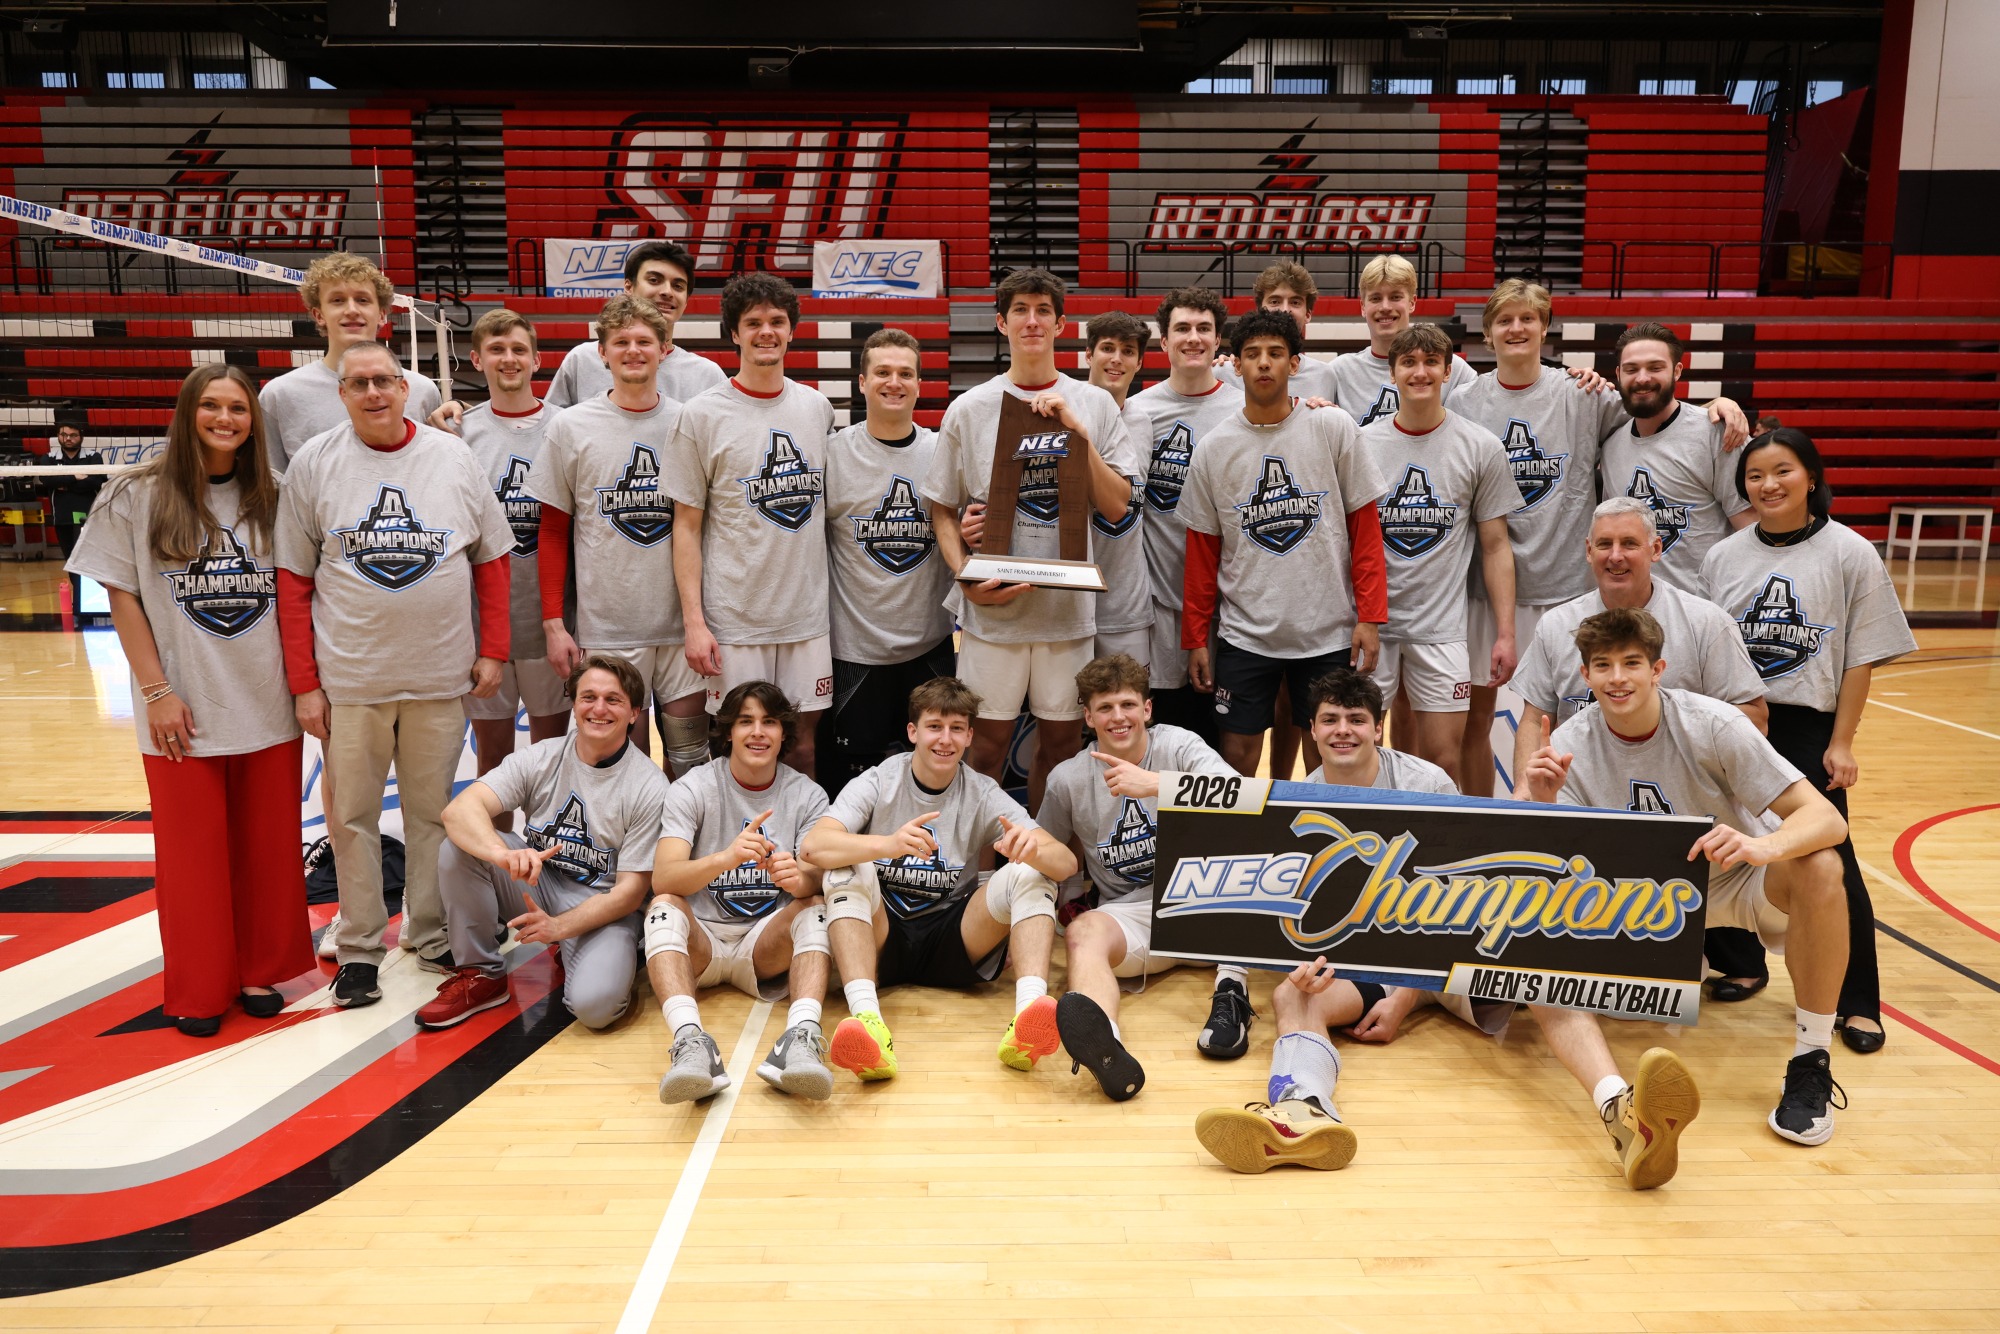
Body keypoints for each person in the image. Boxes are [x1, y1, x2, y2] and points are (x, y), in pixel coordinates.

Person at [1518, 606, 1853, 1173]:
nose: (1618, 677)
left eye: (1631, 663)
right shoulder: (1571, 743)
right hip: (1642, 908)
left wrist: (1764, 847)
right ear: (1585, 677)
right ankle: (1617, 1108)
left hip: (1738, 880)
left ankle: (1811, 1061)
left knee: (1821, 866)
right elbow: (1547, 866)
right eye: (1603, 665)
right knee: (1536, 947)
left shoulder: (1715, 724)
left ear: (1658, 669)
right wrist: (1541, 801)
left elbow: (1827, 819)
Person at [66, 365, 310, 1036]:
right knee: (192, 859)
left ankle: (262, 971)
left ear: (254, 421)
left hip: (267, 702)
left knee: (268, 851)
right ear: (188, 412)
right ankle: (200, 988)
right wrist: (155, 692)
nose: (225, 418)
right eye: (211, 406)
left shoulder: (279, 494)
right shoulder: (136, 494)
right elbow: (121, 594)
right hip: (181, 708)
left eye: (238, 408)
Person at [274, 340, 516, 1009]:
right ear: (342, 393)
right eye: (359, 384)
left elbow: (492, 560)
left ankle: (430, 931)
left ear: (407, 389)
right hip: (351, 681)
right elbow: (291, 580)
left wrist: (492, 648)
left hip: (441, 676)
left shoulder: (452, 458)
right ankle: (357, 949)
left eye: (385, 381)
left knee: (433, 815)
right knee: (349, 819)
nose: (374, 393)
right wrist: (304, 683)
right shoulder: (315, 465)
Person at [1179, 309, 1388, 1063]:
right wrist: (1195, 635)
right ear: (1233, 364)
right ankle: (1238, 892)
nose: (1263, 365)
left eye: (1276, 353)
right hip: (1244, 633)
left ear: (1295, 362)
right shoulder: (1217, 446)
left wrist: (1371, 615)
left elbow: (1366, 528)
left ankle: (1307, 883)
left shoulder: (1334, 433)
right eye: (1252, 354)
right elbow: (1201, 550)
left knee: (1312, 764)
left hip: (1325, 628)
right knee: (1236, 762)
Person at [1453, 282, 1747, 796]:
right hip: (1491, 588)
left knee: (1591, 714)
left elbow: (1655, 409)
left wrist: (1717, 404)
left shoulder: (1585, 394)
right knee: (1477, 721)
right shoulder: (1464, 401)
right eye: (1505, 320)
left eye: (1528, 318)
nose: (1517, 328)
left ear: (1546, 328)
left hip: (1572, 587)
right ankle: (1496, 821)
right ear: (1487, 333)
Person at [1194, 668, 1490, 1173]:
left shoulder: (1427, 784)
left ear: (1380, 727)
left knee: (1543, 982)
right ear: (1311, 729)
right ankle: (1304, 1110)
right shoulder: (1298, 806)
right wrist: (1300, 964)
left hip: (1448, 954)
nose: (1343, 731)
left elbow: (1466, 902)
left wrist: (1407, 994)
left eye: (1357, 719)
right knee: (1293, 993)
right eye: (1330, 719)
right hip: (1370, 957)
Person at [1700, 428, 1918, 1053]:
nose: (1767, 485)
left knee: (1828, 859)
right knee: (1724, 838)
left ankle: (1856, 1001)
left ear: (1812, 477)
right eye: (1754, 476)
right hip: (1733, 720)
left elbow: (1859, 658)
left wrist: (1841, 741)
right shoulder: (1723, 557)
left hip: (1805, 723)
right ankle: (1740, 961)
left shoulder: (1850, 552)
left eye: (1782, 472)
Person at [925, 268, 1141, 809]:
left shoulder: (1094, 403)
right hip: (993, 611)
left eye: (1044, 310)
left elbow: (1116, 503)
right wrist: (964, 574)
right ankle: (977, 872)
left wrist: (1077, 435)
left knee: (1064, 744)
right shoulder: (969, 408)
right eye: (1020, 309)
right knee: (987, 744)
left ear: (1062, 324)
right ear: (1002, 322)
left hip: (1066, 611)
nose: (1032, 320)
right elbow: (943, 511)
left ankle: (1046, 867)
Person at [798, 676, 1079, 1082]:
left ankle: (1027, 1018)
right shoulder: (879, 781)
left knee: (1034, 870)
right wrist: (887, 845)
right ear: (913, 731)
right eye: (934, 726)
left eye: (957, 729)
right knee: (844, 865)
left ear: (969, 737)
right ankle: (869, 1024)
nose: (945, 739)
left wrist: (1034, 849)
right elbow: (813, 847)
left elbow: (1067, 864)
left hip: (953, 936)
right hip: (882, 935)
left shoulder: (982, 791)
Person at [422, 655, 666, 1031]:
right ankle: (482, 975)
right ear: (574, 704)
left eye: (613, 700)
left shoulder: (648, 785)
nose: (598, 708)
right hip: (541, 883)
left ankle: (611, 952)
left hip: (604, 907)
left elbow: (630, 893)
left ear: (635, 712)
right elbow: (459, 811)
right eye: (588, 697)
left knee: (595, 1009)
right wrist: (502, 853)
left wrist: (560, 928)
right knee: (459, 847)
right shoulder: (542, 756)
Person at [1036, 653, 1233, 1100]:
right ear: (1088, 716)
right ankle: (1106, 1046)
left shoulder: (1180, 746)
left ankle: (1233, 989)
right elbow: (1047, 853)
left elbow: (1241, 794)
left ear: (1147, 709)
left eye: (1127, 704)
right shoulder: (1068, 778)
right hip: (1136, 917)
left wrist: (1158, 784)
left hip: (1209, 900)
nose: (1118, 717)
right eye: (1104, 708)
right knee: (1083, 932)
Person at [528, 294, 709, 778]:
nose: (633, 350)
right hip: (608, 626)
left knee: (689, 761)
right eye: (621, 341)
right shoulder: (570, 427)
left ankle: (682, 855)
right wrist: (553, 623)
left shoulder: (689, 422)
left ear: (665, 349)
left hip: (681, 629)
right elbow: (552, 530)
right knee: (615, 764)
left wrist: (701, 620)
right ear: (601, 351)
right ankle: (624, 855)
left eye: (644, 341)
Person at [667, 272, 835, 781]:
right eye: (754, 322)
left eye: (777, 321)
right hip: (734, 622)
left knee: (803, 750)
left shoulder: (817, 408)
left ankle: (796, 856)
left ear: (792, 331)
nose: (767, 331)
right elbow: (686, 528)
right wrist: (695, 623)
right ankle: (735, 855)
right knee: (737, 751)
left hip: (806, 618)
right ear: (734, 334)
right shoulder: (700, 415)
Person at [645, 682, 835, 1103]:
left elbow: (813, 880)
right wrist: (724, 859)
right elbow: (664, 878)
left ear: (785, 733)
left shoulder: (808, 795)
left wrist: (797, 878)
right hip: (703, 942)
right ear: (726, 730)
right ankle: (691, 1045)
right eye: (745, 721)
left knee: (818, 905)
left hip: (763, 945)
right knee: (663, 906)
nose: (758, 732)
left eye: (769, 722)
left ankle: (799, 1039)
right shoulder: (692, 788)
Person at [1359, 322, 1519, 787]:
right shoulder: (1361, 442)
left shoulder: (1480, 446)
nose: (1420, 372)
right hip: (1374, 628)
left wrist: (1505, 633)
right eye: (1409, 362)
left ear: (1449, 371)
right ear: (1392, 373)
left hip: (1442, 630)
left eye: (1431, 362)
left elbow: (1495, 545)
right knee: (1365, 758)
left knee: (1442, 763)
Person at [1510, 496, 1766, 785]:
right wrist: (1525, 790)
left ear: (1655, 549)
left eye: (1629, 544)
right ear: (1589, 551)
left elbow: (1755, 717)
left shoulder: (1706, 622)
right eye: (1605, 544)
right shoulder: (1555, 625)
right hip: (1586, 793)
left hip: (1684, 791)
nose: (1616, 556)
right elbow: (1534, 720)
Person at [821, 328, 957, 790]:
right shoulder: (832, 455)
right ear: (862, 382)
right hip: (854, 652)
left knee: (934, 773)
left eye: (905, 373)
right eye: (882, 372)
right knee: (853, 780)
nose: (893, 382)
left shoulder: (943, 452)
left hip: (930, 645)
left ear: (920, 384)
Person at [456, 309, 569, 809]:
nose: (509, 359)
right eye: (497, 350)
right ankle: (496, 879)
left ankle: (549, 879)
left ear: (538, 360)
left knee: (552, 761)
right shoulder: (457, 434)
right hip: (487, 630)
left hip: (553, 623)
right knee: (494, 763)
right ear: (477, 359)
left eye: (519, 349)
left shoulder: (565, 426)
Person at [1130, 285, 1242, 749]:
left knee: (1217, 738)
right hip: (1158, 603)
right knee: (1159, 733)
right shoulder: (1138, 410)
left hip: (1230, 606)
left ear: (1218, 342)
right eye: (1182, 328)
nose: (1193, 338)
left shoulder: (1244, 409)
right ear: (1163, 342)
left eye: (1203, 329)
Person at [1600, 322, 1755, 594]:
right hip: (1634, 614)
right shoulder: (1611, 446)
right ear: (1618, 374)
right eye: (1632, 369)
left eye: (1655, 367)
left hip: (1705, 612)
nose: (1642, 378)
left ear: (1677, 371)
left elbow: (1752, 533)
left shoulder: (1717, 433)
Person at [260, 251, 442, 476]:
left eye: (362, 300)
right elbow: (275, 485)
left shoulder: (422, 390)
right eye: (337, 300)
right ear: (319, 315)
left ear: (382, 314)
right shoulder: (280, 395)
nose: (352, 310)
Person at [547, 240, 726, 409]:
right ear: (628, 287)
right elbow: (551, 427)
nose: (667, 292)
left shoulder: (707, 374)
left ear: (686, 301)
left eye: (678, 286)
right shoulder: (582, 360)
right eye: (654, 280)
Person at [1079, 312, 1155, 671]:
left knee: (1126, 718)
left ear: (1140, 362)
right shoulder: (1060, 413)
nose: (1116, 359)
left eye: (1127, 351)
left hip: (1127, 603)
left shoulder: (1144, 422)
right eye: (1107, 348)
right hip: (1068, 601)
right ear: (1088, 355)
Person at [1328, 255, 1478, 425]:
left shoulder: (1453, 368)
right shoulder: (1339, 371)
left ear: (1412, 302)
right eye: (1375, 298)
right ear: (1363, 306)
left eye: (1395, 297)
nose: (1385, 307)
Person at [1218, 261, 1340, 401]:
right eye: (1275, 302)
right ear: (1259, 310)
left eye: (1295, 302)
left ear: (1308, 314)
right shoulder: (1226, 372)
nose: (1284, 310)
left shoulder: (1325, 376)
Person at [47, 421, 105, 615]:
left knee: (89, 561)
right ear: (58, 436)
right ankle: (79, 602)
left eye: (73, 435)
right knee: (71, 561)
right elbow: (48, 480)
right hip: (62, 517)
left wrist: (65, 483)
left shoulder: (93, 457)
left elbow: (97, 480)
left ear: (81, 437)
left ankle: (87, 602)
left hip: (88, 518)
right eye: (64, 435)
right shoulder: (48, 458)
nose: (68, 438)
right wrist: (76, 478)